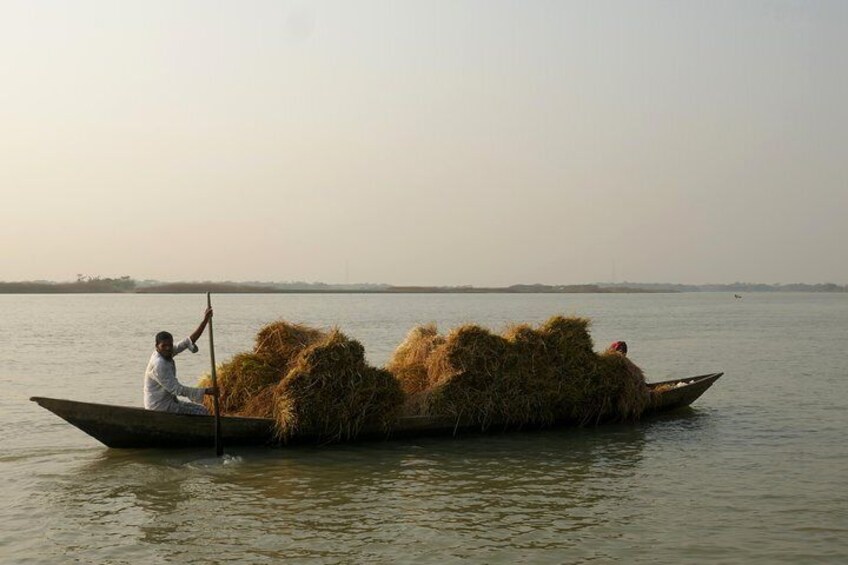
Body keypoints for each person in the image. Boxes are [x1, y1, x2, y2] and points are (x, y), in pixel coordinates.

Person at [143, 307, 217, 414]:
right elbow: (177, 389)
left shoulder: (165, 352)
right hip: (159, 407)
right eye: (164, 346)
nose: (168, 348)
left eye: (170, 345)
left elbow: (187, 342)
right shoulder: (159, 364)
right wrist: (206, 391)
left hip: (169, 401)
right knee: (202, 413)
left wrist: (205, 320)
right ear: (157, 346)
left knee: (203, 410)